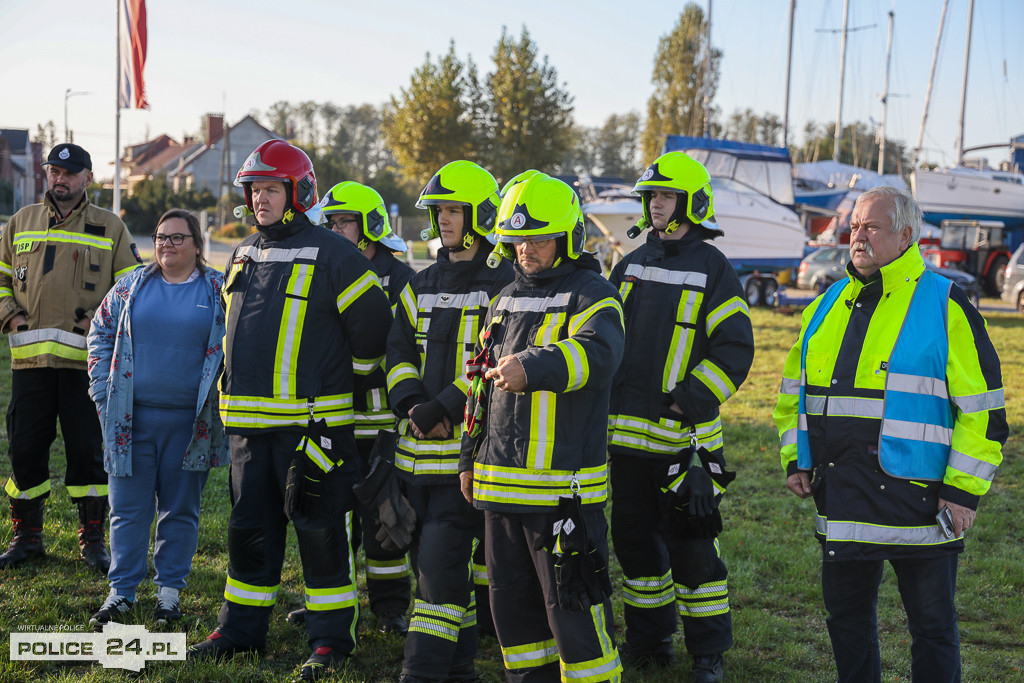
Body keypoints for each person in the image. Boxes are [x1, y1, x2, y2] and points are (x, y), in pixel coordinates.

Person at [772, 186, 1006, 683]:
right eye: (855, 226)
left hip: (922, 506)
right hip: (845, 500)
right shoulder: (830, 300)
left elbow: (984, 410)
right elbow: (795, 387)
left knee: (932, 627)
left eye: (870, 227)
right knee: (847, 622)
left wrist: (963, 492)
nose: (857, 236)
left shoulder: (944, 302)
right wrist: (798, 458)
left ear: (905, 236)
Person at [187, 140, 391, 682]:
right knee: (248, 531)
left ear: (298, 193)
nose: (260, 200)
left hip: (313, 431)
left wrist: (336, 390)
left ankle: (329, 640)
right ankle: (239, 630)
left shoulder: (336, 253)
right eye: (254, 190)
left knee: (320, 534)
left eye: (271, 189)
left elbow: (373, 334)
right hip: (249, 432)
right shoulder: (243, 252)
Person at [459, 172, 624, 683]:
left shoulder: (593, 293)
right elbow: (479, 386)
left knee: (574, 617)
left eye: (538, 237)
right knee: (514, 619)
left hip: (561, 495)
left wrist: (534, 367)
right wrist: (468, 460)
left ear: (569, 237)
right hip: (500, 489)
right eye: (517, 238)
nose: (525, 248)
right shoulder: (503, 296)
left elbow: (599, 354)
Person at [606, 151, 754, 682]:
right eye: (651, 198)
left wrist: (686, 400)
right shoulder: (631, 262)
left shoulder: (713, 268)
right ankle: (650, 642)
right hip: (625, 442)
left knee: (694, 553)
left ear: (692, 202)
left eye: (665, 197)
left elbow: (735, 350)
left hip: (683, 444)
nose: (655, 206)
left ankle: (708, 653)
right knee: (635, 543)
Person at [386, 160, 513, 682]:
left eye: (454, 210)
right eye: (439, 210)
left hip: (468, 465)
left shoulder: (505, 285)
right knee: (432, 573)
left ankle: (421, 673)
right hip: (413, 459)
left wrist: (441, 407)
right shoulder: (422, 282)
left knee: (437, 576)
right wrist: (413, 404)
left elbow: (493, 362)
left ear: (481, 215)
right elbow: (396, 351)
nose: (443, 220)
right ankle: (460, 669)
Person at [0, 143, 142, 571]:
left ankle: (93, 541)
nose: (59, 179)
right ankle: (27, 537)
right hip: (29, 366)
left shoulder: (110, 226)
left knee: (87, 451)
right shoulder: (21, 222)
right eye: (53, 171)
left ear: (87, 178)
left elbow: (130, 290)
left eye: (69, 172)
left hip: (87, 368)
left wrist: (98, 324)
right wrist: (10, 318)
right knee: (24, 450)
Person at [285, 180, 415, 634]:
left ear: (371, 227)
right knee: (330, 519)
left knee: (384, 521)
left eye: (346, 221)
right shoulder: (323, 268)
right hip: (331, 420)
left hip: (382, 425)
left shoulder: (401, 281)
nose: (337, 228)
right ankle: (327, 604)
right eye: (333, 221)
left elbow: (402, 349)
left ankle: (391, 608)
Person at [86, 209, 227, 627]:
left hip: (191, 424)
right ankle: (121, 593)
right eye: (161, 237)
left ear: (197, 245)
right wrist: (101, 393)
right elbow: (100, 333)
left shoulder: (218, 289)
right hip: (131, 422)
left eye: (177, 238)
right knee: (127, 508)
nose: (166, 244)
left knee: (180, 510)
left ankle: (169, 594)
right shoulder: (130, 287)